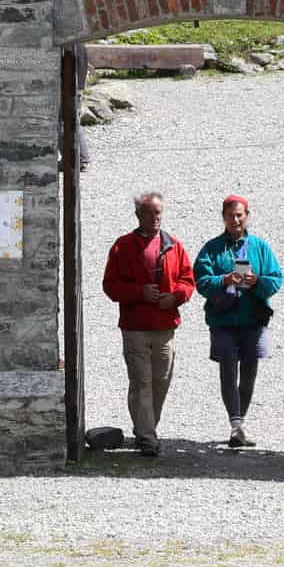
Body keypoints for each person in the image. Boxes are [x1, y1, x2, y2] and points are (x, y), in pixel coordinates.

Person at [100, 190, 194, 457]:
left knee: (161, 381)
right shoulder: (123, 246)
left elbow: (188, 280)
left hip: (165, 328)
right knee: (141, 382)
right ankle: (147, 437)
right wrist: (140, 293)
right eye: (149, 213)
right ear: (138, 215)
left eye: (158, 213)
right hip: (135, 328)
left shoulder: (174, 245)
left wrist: (175, 297)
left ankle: (147, 427)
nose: (155, 218)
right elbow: (110, 285)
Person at [194, 194, 283, 450]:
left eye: (240, 215)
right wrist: (225, 280)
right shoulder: (211, 248)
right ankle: (236, 424)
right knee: (228, 370)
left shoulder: (260, 247)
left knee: (249, 374)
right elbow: (200, 281)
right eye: (231, 215)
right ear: (223, 217)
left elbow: (276, 278)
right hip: (222, 321)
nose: (236, 219)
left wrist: (257, 282)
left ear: (247, 216)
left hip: (253, 319)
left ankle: (239, 423)